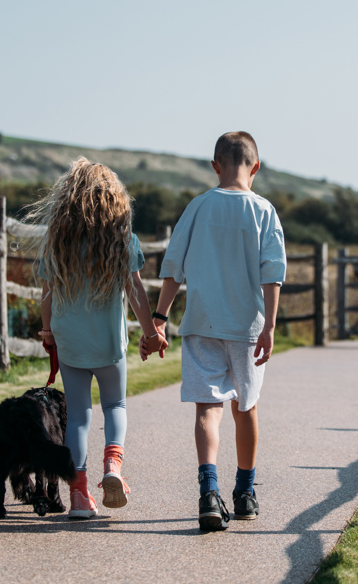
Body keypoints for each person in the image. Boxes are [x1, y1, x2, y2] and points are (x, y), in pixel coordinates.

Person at [144, 131, 286, 532]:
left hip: (201, 324)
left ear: (215, 165)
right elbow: (272, 273)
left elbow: (173, 266)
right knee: (246, 407)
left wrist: (159, 317)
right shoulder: (264, 211)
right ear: (255, 167)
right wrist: (270, 326)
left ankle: (209, 493)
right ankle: (244, 494)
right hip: (247, 327)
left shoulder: (197, 207)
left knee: (208, 409)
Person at [32, 158, 161, 519]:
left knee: (78, 418)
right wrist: (151, 333)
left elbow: (47, 292)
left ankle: (78, 495)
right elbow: (135, 290)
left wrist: (47, 333)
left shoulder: (58, 241)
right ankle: (113, 467)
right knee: (115, 406)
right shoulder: (123, 239)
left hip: (71, 343)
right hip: (108, 345)